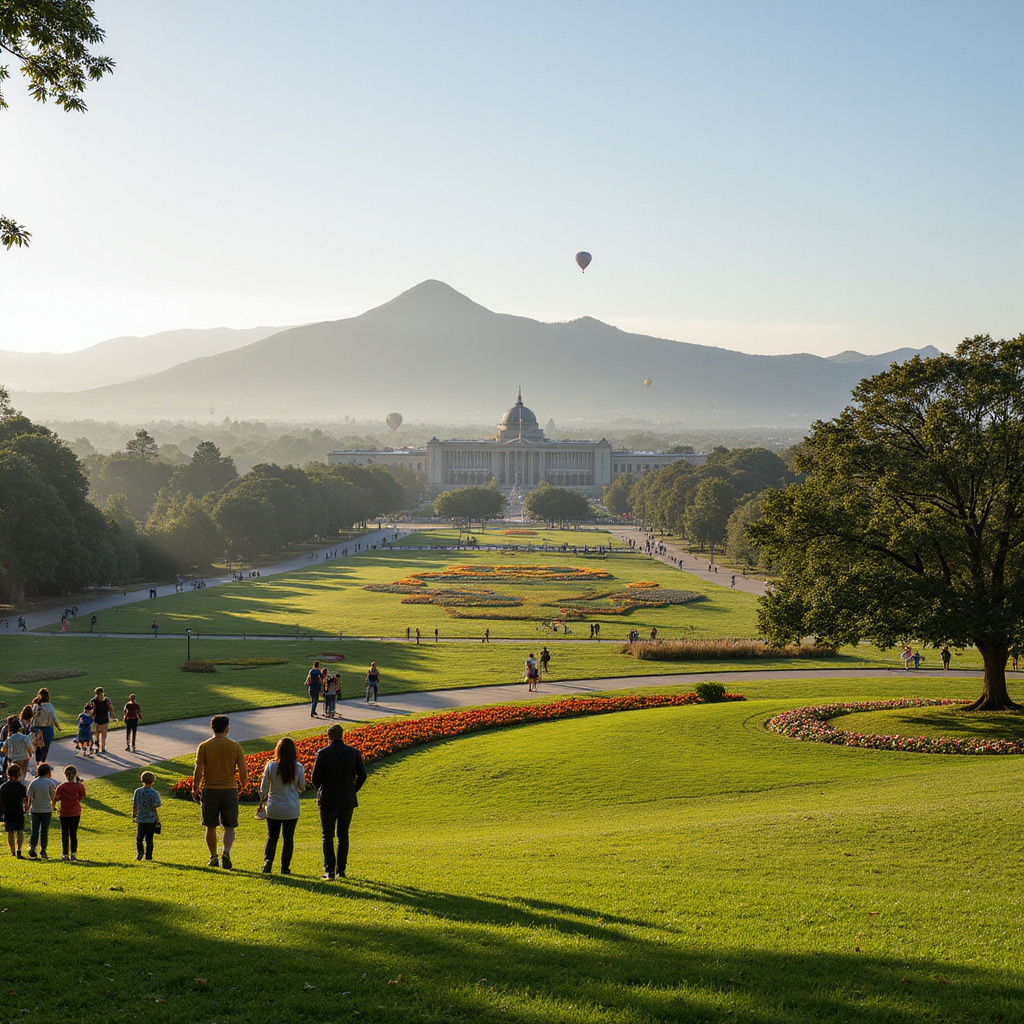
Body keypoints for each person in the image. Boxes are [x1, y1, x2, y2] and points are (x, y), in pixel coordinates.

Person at [310, 724, 366, 880]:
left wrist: (321, 789)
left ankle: (329, 870)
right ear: (343, 735)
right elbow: (362, 775)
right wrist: (353, 789)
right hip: (347, 798)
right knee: (343, 835)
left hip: (328, 798)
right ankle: (341, 869)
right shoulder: (353, 753)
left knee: (327, 835)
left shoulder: (323, 754)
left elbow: (315, 779)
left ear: (328, 737)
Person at [191, 715, 247, 869]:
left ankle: (213, 856)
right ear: (227, 728)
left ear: (212, 728)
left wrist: (195, 786)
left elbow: (199, 768)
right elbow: (242, 768)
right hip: (229, 789)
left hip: (210, 789)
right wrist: (243, 783)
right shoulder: (235, 746)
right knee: (229, 825)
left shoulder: (204, 746)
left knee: (210, 825)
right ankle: (226, 852)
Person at [259, 737, 305, 875]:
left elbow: (264, 789)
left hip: (274, 807)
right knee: (288, 838)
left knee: (272, 836)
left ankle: (268, 861)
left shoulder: (271, 766)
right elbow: (301, 787)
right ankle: (285, 867)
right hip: (291, 808)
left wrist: (261, 802)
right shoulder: (298, 767)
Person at [53, 764, 86, 862]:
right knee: (73, 833)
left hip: (64, 812)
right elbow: (83, 795)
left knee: (65, 833)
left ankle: (65, 853)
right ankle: (73, 853)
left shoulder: (62, 786)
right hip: (75, 812)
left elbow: (56, 797)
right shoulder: (79, 786)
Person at [26, 762, 57, 859]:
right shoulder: (50, 783)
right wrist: (54, 806)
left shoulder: (34, 782)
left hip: (35, 809)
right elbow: (53, 797)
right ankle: (43, 850)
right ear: (48, 772)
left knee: (34, 830)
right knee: (44, 831)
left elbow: (29, 795)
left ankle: (32, 847)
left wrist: (27, 806)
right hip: (46, 810)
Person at [132, 770, 162, 861]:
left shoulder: (138, 791)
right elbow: (158, 804)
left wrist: (134, 815)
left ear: (142, 780)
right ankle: (149, 856)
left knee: (139, 837)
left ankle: (140, 853)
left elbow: (135, 804)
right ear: (153, 781)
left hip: (141, 818)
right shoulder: (154, 793)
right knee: (149, 838)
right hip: (151, 819)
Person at [1, 763, 28, 858]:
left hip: (8, 811)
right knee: (20, 831)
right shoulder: (21, 787)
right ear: (18, 774)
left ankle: (12, 850)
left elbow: (2, 800)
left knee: (10, 832)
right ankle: (19, 849)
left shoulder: (3, 787)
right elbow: (25, 800)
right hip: (18, 810)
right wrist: (26, 808)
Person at [31, 688, 61, 762]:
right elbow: (53, 717)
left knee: (37, 748)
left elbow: (32, 716)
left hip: (36, 728)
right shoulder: (49, 706)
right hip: (47, 728)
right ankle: (43, 762)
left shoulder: (35, 706)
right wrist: (57, 726)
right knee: (45, 748)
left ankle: (38, 762)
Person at [2, 715, 33, 782]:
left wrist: (8, 753)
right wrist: (30, 754)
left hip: (14, 758)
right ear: (19, 729)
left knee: (15, 773)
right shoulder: (23, 737)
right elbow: (27, 746)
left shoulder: (9, 739)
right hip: (24, 757)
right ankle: (21, 782)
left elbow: (3, 749)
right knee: (23, 773)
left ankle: (16, 782)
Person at [88, 688, 116, 755]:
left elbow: (93, 710)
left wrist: (90, 715)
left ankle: (98, 746)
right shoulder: (106, 700)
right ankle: (103, 747)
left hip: (97, 718)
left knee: (97, 734)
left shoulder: (94, 700)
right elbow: (111, 708)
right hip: (104, 718)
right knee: (104, 734)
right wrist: (112, 715)